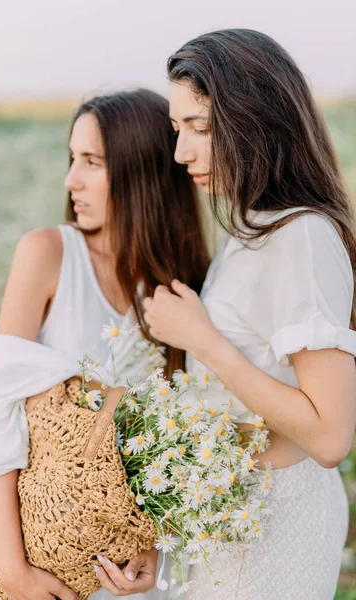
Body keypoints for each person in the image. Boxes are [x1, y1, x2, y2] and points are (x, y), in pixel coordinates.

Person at [0, 88, 210, 600]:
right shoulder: (48, 253)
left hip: (113, 563)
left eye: (92, 161)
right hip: (26, 544)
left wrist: (152, 543)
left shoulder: (179, 286)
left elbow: (166, 442)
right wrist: (12, 570)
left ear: (143, 171)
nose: (71, 180)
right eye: (73, 159)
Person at [143, 29, 356, 600]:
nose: (181, 152)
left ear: (257, 123)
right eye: (176, 128)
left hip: (277, 520)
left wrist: (203, 340)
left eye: (200, 128)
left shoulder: (303, 235)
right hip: (233, 517)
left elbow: (332, 435)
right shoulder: (252, 229)